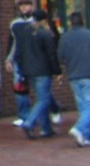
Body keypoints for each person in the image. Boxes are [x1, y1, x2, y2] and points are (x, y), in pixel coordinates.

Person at [5, 0, 61, 126]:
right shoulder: (15, 24)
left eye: (27, 4)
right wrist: (9, 59)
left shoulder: (39, 22)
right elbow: (13, 43)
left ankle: (53, 109)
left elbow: (52, 40)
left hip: (37, 60)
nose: (24, 7)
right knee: (20, 88)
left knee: (42, 91)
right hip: (21, 59)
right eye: (22, 5)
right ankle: (24, 116)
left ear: (32, 6)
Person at [58, 11, 90, 147]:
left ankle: (89, 136)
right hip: (89, 75)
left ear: (70, 22)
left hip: (73, 75)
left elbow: (60, 57)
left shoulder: (65, 37)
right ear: (82, 21)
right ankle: (79, 128)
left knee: (84, 107)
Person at [16, 8, 60, 139]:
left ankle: (46, 128)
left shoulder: (24, 32)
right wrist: (57, 71)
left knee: (42, 98)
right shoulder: (46, 34)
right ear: (43, 20)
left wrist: (21, 69)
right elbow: (52, 55)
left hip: (29, 71)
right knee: (43, 99)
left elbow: (19, 52)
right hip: (43, 71)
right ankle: (30, 122)